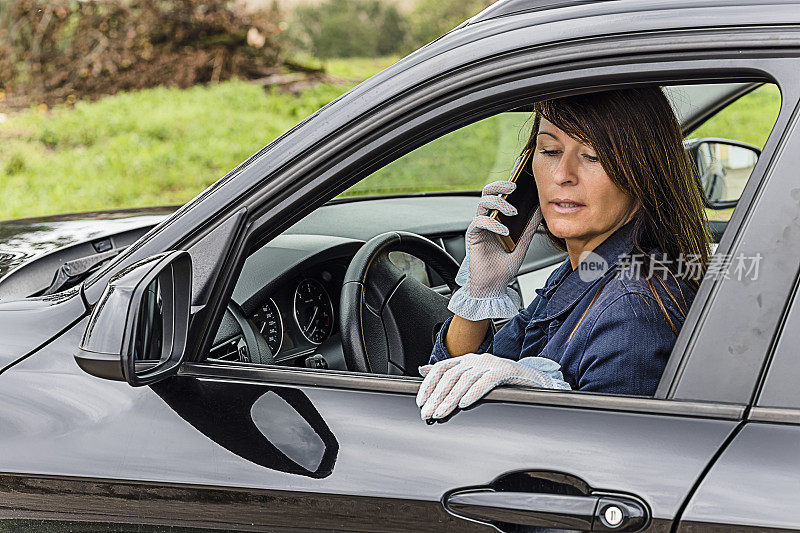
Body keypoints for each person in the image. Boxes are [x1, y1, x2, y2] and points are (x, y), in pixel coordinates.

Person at [416, 87, 711, 420]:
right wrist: (480, 293)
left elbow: (605, 451)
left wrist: (551, 395)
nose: (561, 175)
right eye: (550, 150)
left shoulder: (632, 310)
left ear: (642, 171)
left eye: (593, 156)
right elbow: (446, 386)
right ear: (527, 166)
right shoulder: (588, 268)